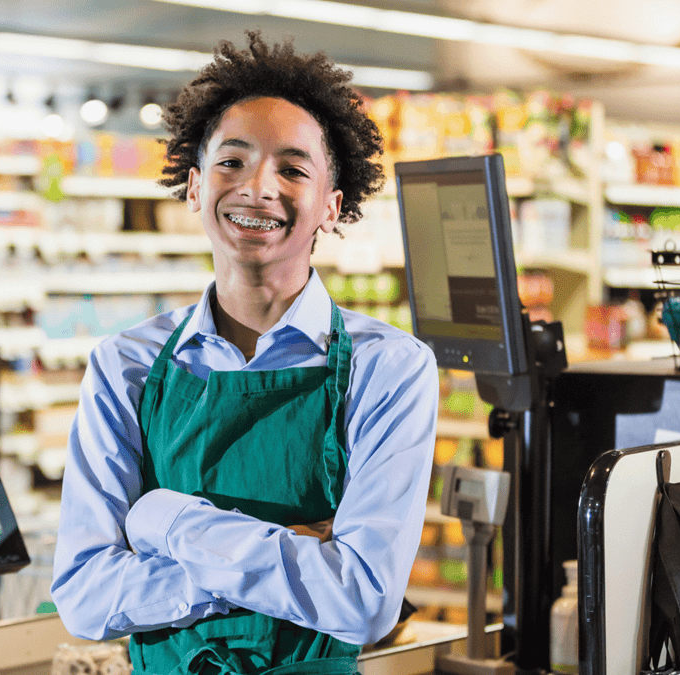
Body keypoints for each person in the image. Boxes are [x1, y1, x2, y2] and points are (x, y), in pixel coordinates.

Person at [50, 31, 438, 675]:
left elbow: (366, 600)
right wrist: (294, 554)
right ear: (195, 187)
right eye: (232, 162)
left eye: (292, 168)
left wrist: (165, 521)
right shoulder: (127, 366)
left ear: (331, 207)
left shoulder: (387, 369)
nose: (258, 188)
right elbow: (85, 596)